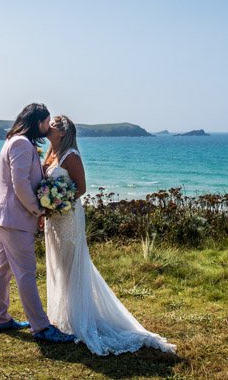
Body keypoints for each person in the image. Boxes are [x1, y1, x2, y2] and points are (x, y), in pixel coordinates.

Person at [43, 115, 176, 355]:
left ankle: (80, 319)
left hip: (68, 217)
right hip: (54, 219)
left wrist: (59, 201)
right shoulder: (50, 153)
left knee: (73, 263)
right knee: (59, 264)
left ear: (62, 132)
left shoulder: (70, 155)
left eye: (51, 126)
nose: (47, 128)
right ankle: (64, 315)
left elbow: (81, 188)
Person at [0, 103, 75, 344]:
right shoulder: (21, 144)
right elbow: (20, 184)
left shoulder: (15, 141)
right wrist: (38, 211)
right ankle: (41, 327)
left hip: (6, 215)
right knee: (25, 272)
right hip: (15, 217)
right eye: (46, 122)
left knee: (2, 269)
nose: (47, 128)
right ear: (38, 122)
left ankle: (0, 318)